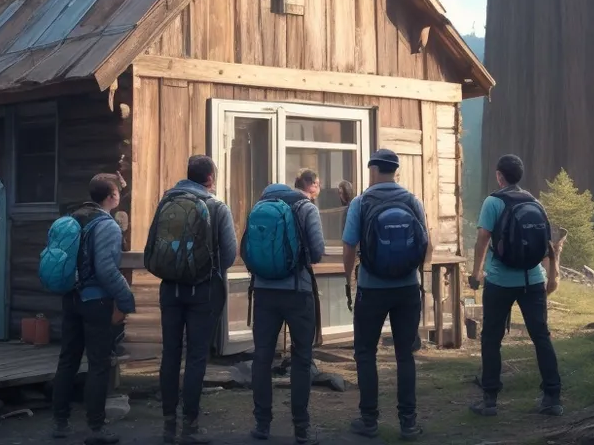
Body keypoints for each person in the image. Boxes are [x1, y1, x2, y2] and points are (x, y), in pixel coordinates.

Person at [144, 155, 237, 444]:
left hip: (169, 289)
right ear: (210, 178)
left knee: (171, 353)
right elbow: (230, 254)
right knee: (196, 355)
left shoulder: (166, 202)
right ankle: (191, 422)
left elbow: (151, 251)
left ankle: (168, 419)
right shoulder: (216, 206)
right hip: (204, 290)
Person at [341, 149, 430, 440]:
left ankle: (369, 420)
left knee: (365, 353)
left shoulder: (361, 202)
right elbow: (426, 244)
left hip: (372, 288)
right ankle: (409, 422)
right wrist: (417, 272)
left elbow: (349, 245)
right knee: (405, 355)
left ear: (374, 170)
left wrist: (348, 278)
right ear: (396, 171)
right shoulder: (412, 201)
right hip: (407, 289)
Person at [469, 154, 563, 418]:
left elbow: (482, 240)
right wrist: (550, 275)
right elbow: (544, 245)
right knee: (541, 336)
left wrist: (477, 273)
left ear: (499, 175)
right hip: (533, 280)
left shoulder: (493, 202)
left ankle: (489, 400)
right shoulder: (535, 202)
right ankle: (553, 397)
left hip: (500, 280)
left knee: (491, 338)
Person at [51, 173, 136, 444]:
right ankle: (96, 429)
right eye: (117, 192)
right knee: (99, 364)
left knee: (68, 360)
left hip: (71, 298)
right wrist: (126, 300)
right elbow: (107, 270)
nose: (120, 195)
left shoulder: (75, 219)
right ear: (111, 196)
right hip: (96, 301)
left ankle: (60, 423)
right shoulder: (108, 226)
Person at [243, 181, 325, 445]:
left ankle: (262, 425)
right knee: (301, 359)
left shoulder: (258, 208)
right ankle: (301, 428)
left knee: (262, 358)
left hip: (264, 293)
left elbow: (247, 250)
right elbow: (317, 254)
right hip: (298, 293)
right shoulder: (305, 207)